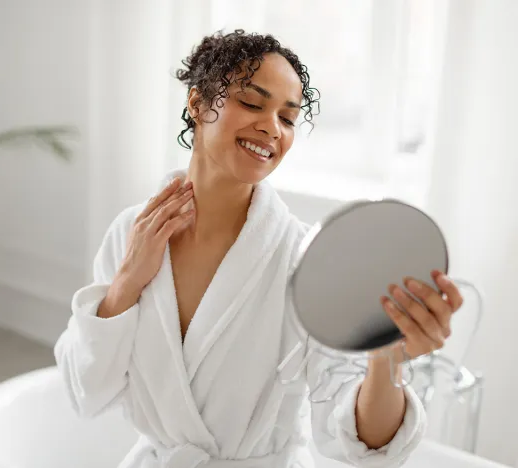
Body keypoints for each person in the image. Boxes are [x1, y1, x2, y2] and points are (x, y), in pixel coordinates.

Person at [54, 30, 463, 468]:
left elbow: (358, 443)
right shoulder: (130, 234)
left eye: (288, 118)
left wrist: (388, 358)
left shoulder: (303, 261)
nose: (272, 127)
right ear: (196, 104)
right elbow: (86, 390)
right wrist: (127, 284)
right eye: (252, 103)